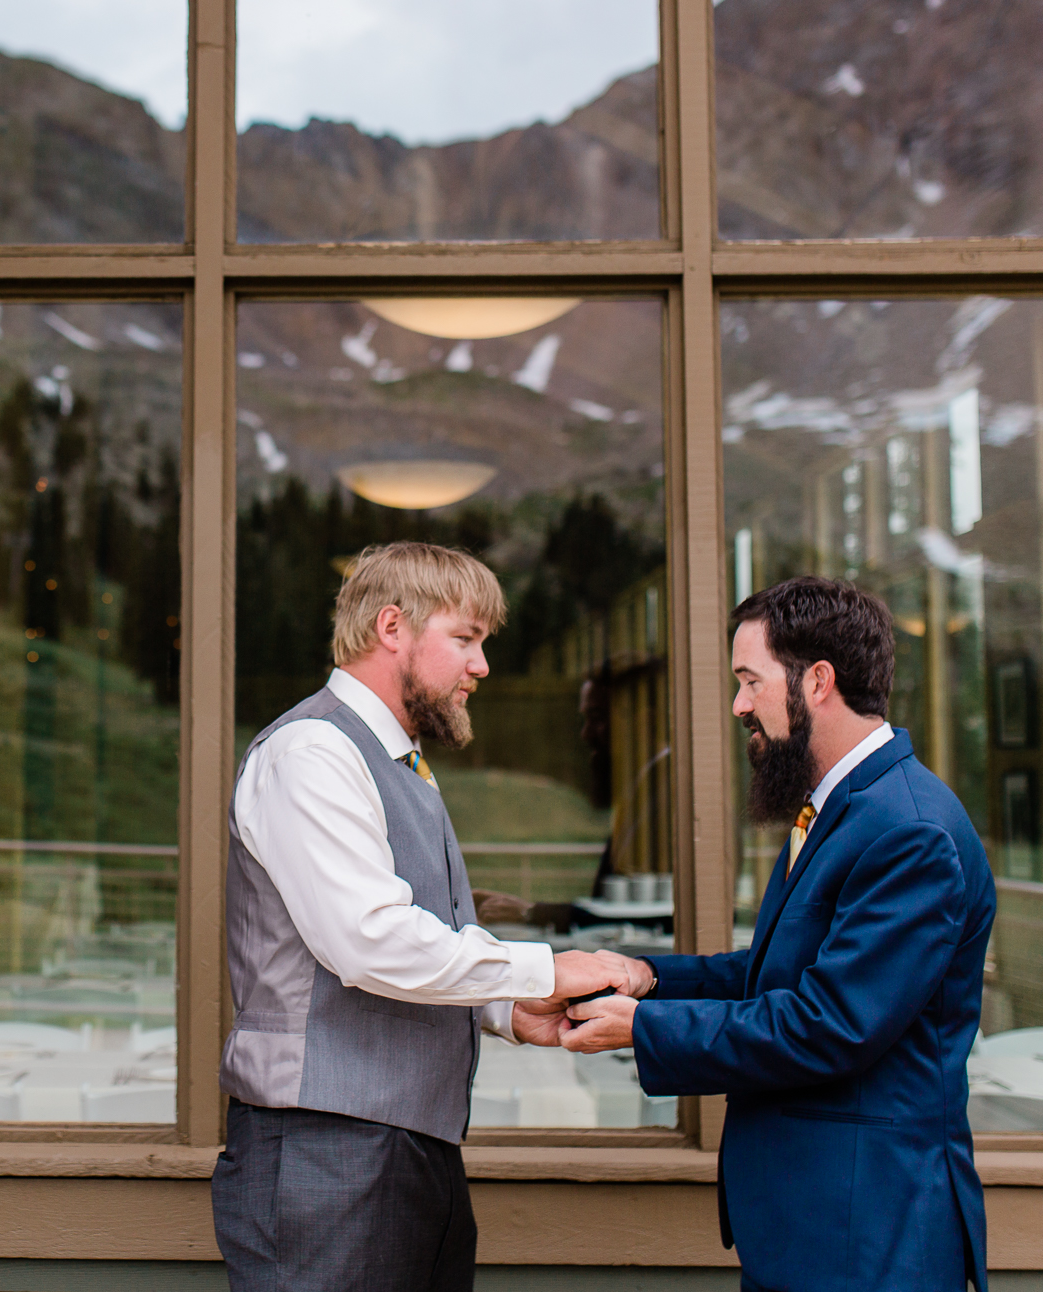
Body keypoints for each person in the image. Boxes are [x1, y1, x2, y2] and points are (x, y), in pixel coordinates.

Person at [535, 575, 996, 1291]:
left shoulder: (909, 831)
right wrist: (645, 977)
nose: (738, 704)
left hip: (867, 1237)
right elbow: (777, 976)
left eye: (750, 681)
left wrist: (643, 1030)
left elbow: (830, 1024)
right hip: (816, 1228)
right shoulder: (846, 809)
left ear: (817, 681)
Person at [213, 540, 620, 1292]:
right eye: (465, 639)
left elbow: (404, 930)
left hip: (395, 1149)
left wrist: (504, 1005)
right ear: (392, 628)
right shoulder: (313, 752)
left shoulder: (392, 759)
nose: (482, 666)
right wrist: (546, 968)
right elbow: (369, 942)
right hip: (324, 1153)